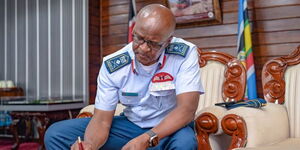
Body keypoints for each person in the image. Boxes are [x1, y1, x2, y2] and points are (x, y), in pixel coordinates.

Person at [44, 4, 204, 150]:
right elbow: (101, 120)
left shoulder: (185, 54)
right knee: (56, 133)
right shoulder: (113, 65)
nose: (143, 48)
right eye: (139, 38)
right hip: (130, 126)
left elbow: (186, 110)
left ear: (168, 42)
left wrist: (146, 138)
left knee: (186, 143)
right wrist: (90, 145)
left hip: (170, 128)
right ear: (133, 30)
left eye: (153, 44)